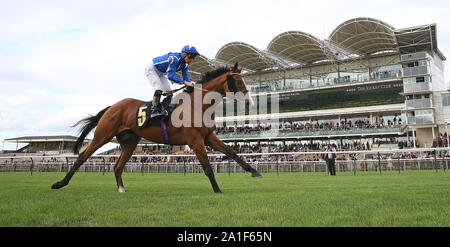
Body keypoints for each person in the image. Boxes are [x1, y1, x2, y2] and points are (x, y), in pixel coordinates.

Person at [145, 45, 199, 118]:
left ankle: (165, 109)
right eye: (191, 56)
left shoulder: (185, 65)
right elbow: (170, 76)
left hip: (160, 72)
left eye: (193, 57)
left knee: (169, 92)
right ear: (184, 54)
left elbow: (186, 79)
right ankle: (154, 111)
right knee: (159, 88)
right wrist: (184, 82)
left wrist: (191, 85)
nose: (192, 59)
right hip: (151, 68)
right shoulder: (174, 59)